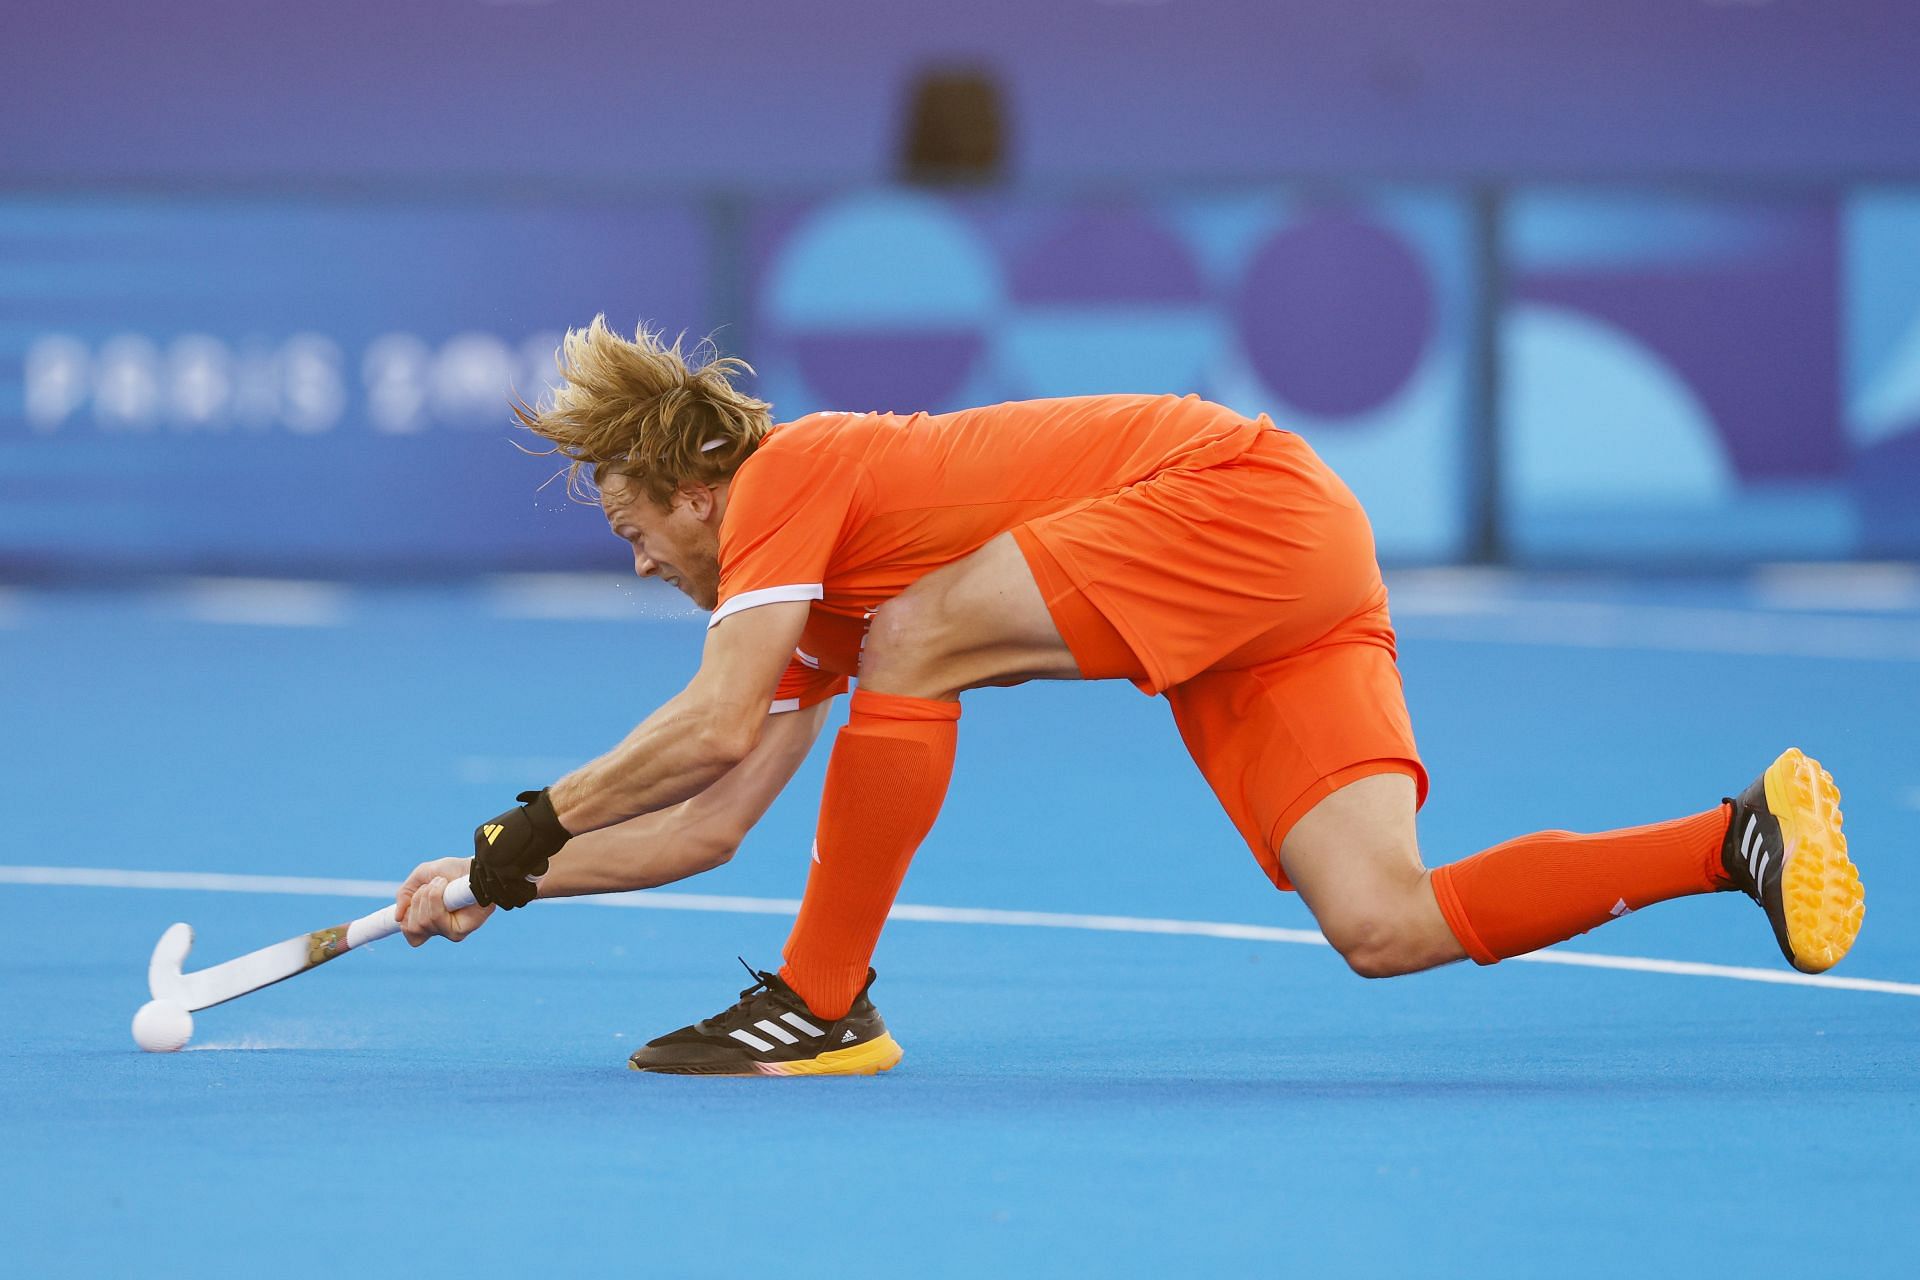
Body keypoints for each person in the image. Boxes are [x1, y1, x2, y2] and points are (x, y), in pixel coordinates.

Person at [393, 316, 1866, 1077]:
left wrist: (527, 819)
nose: (636, 558)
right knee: (1381, 921)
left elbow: (709, 720)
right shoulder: (815, 602)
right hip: (1289, 577)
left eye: (633, 524)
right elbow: (716, 817)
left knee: (915, 637)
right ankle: (1740, 838)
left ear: (700, 489)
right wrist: (498, 879)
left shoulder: (790, 476)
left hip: (1238, 503)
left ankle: (822, 1005)